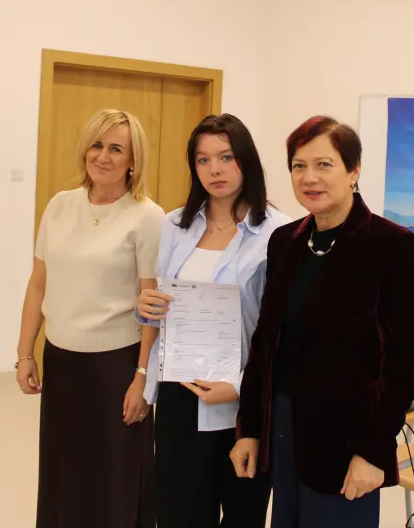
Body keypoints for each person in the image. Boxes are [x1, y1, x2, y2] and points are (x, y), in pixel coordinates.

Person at [231, 116, 414, 528]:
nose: (309, 177)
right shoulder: (285, 242)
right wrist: (249, 428)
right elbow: (265, 342)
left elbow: (402, 363)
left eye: (324, 164)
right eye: (298, 166)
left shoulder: (391, 246)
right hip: (284, 429)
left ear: (354, 171)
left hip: (348, 439)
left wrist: (373, 451)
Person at [136, 114, 290, 528]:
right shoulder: (175, 224)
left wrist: (239, 386)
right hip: (180, 393)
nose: (214, 170)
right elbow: (161, 307)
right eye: (203, 160)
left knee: (242, 515)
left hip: (242, 400)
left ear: (247, 160)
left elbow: (283, 330)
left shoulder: (279, 232)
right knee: (177, 513)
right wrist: (145, 306)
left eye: (226, 157)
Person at [15, 109, 164, 528]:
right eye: (96, 145)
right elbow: (38, 284)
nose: (103, 156)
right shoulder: (60, 205)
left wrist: (142, 378)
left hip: (116, 367)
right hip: (62, 362)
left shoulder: (147, 216)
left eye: (116, 149)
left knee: (114, 478)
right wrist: (25, 353)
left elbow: (151, 306)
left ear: (133, 160)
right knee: (65, 473)